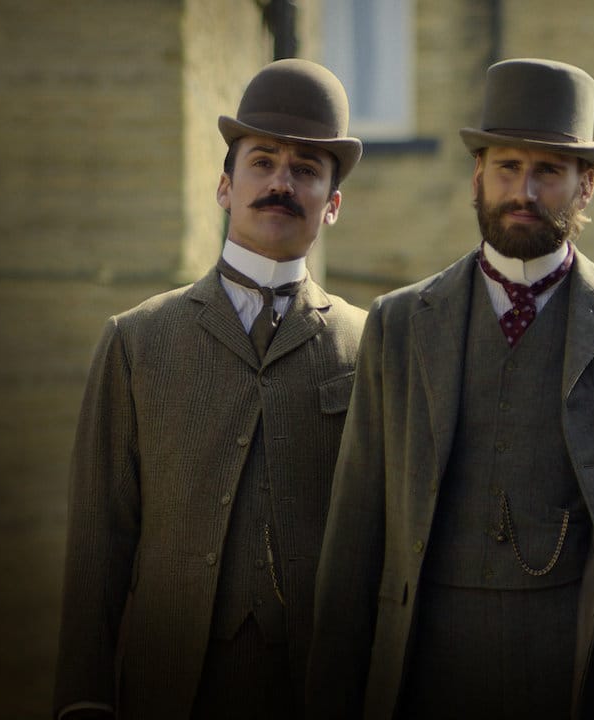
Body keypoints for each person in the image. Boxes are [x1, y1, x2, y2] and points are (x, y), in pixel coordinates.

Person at [305, 58, 594, 720]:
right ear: (478, 175)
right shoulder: (401, 323)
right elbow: (354, 530)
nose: (524, 190)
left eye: (549, 172)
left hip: (583, 670)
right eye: (507, 168)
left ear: (587, 187)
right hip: (424, 668)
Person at [52, 58, 367, 719]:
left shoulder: (372, 349)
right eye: (263, 161)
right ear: (225, 186)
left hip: (322, 690)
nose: (282, 181)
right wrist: (81, 702)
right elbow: (97, 545)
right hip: (168, 690)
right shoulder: (136, 341)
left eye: (307, 169)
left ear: (331, 204)